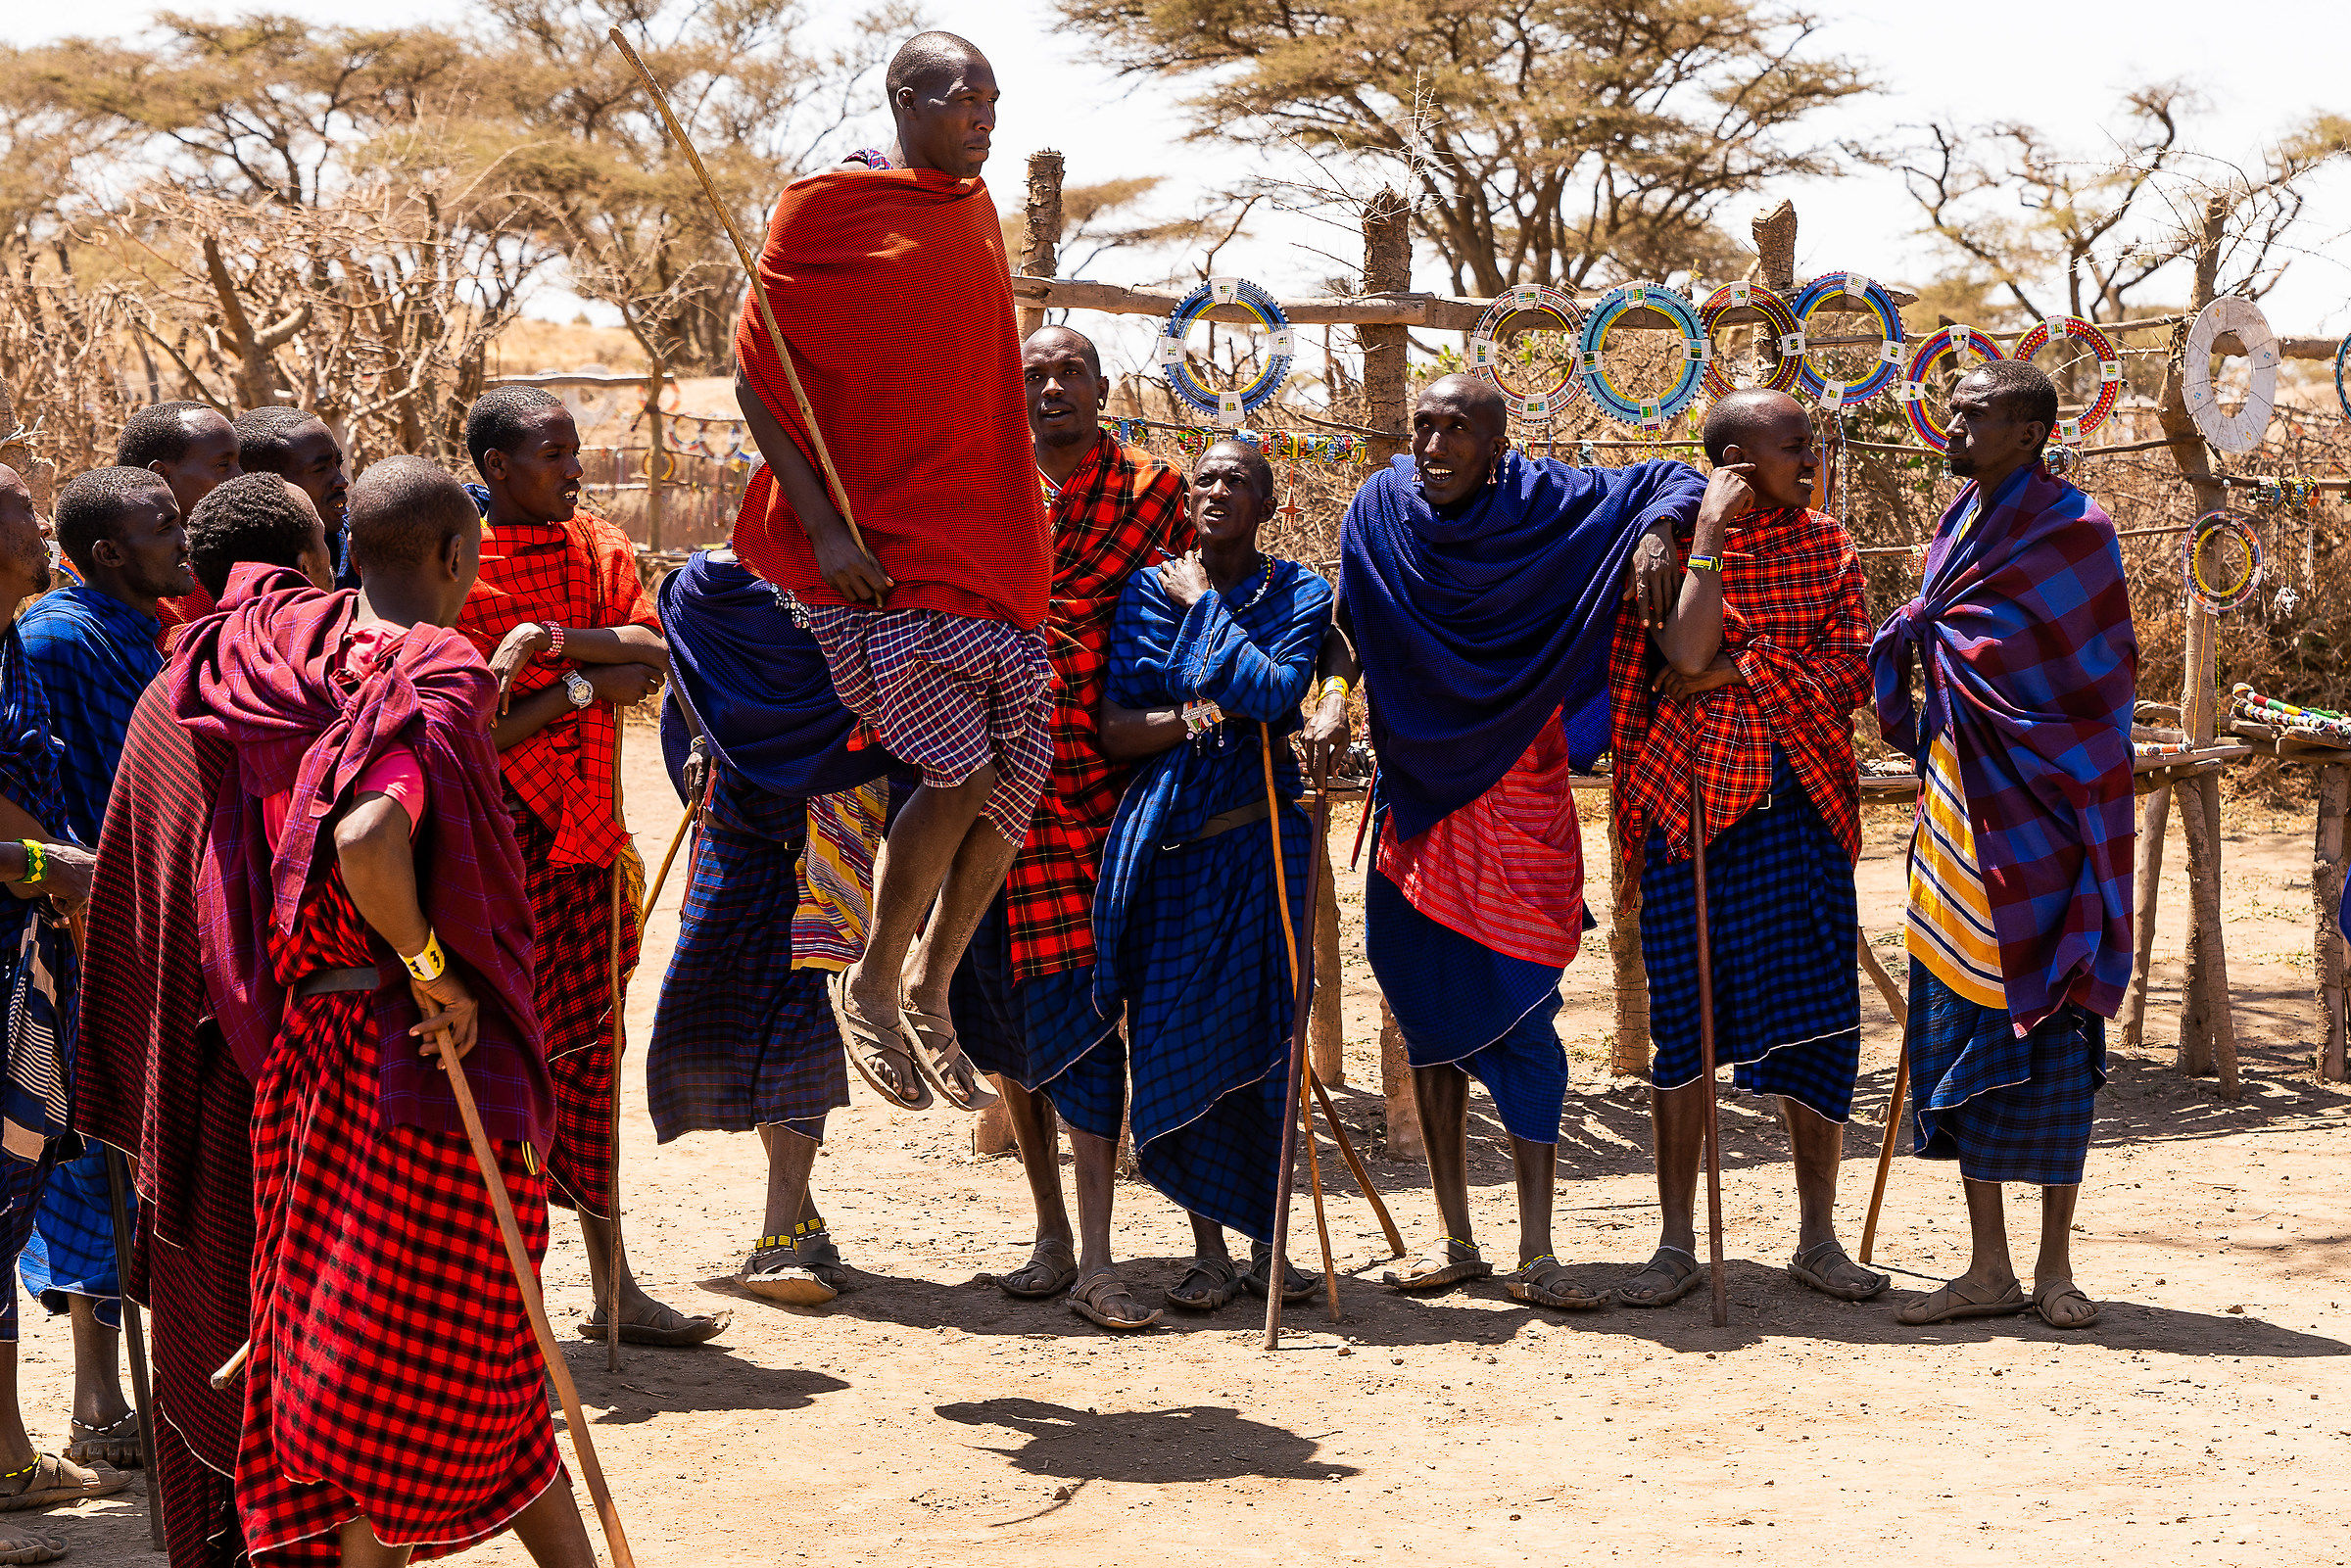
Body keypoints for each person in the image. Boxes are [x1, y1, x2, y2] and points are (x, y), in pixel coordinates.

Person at [173, 455, 599, 1566]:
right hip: (412, 1056)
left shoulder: (284, 653)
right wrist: (430, 964)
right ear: (459, 557)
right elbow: (368, 836)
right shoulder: (436, 663)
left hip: (309, 1054)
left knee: (355, 1343)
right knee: (469, 1342)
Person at [731, 29, 1049, 1117]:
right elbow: (759, 376)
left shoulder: (971, 211)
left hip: (980, 527)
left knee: (1020, 767)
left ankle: (933, 976)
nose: (986, 117)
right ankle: (874, 973)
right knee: (956, 767)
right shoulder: (824, 210)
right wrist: (822, 528)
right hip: (879, 548)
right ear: (905, 99)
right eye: (967, 98)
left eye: (995, 98)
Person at [1332, 374, 1699, 1310]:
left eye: (1460, 428)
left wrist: (1658, 531)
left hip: (1519, 797)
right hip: (1416, 804)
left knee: (1527, 1023)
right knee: (1427, 1022)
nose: (1437, 445)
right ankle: (1455, 1238)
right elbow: (1346, 626)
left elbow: (1672, 477)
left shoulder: (1545, 504)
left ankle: (1537, 1249)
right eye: (1425, 426)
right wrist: (1334, 694)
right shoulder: (1379, 511)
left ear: (1500, 444)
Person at [75, 478, 335, 1566]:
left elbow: (127, 915)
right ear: (305, 565)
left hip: (198, 1083)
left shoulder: (166, 694)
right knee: (320, 1352)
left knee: (226, 1325)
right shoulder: (319, 688)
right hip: (313, 1075)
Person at [1604, 389, 1885, 1307]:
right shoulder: (1676, 546)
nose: (1810, 460)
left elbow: (1850, 668)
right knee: (1686, 1026)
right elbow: (1681, 656)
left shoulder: (1830, 546)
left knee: (1819, 1019)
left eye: (1811, 445)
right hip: (1694, 816)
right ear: (1731, 465)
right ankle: (1677, 1241)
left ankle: (1818, 1237)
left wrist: (1743, 666)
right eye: (1792, 447)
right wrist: (1712, 537)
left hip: (1801, 804)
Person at [1871, 360, 2135, 1331]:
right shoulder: (1956, 525)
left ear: (2029, 431)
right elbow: (1954, 647)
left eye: (1976, 414)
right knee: (1952, 1016)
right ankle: (1987, 1265)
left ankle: (2057, 1264)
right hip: (1957, 803)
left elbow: (2093, 677)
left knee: (2056, 1026)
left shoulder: (2079, 530)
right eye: (1954, 409)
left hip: (2048, 812)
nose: (1956, 423)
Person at [456, 385, 719, 1348]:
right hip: (497, 855)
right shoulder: (456, 557)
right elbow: (472, 733)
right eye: (554, 453)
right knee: (499, 1071)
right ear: (496, 466)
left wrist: (546, 650)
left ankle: (616, 1287)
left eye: (573, 451)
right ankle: (503, 1305)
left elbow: (649, 654)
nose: (574, 468)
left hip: (587, 847)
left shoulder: (595, 545)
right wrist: (578, 689)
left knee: (590, 1062)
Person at [947, 325, 1191, 1312]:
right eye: (1033, 375)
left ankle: (1097, 1253)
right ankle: (1049, 1228)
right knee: (1008, 1013)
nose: (1052, 387)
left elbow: (1182, 621)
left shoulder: (1151, 492)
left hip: (1107, 781)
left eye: (1070, 372)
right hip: (984, 782)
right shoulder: (977, 488)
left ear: (1102, 384)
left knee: (1087, 1005)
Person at [1078, 440, 1332, 1328]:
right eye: (1206, 481)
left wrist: (1211, 630)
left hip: (1266, 845)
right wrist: (1208, 705)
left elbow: (1279, 691)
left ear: (1269, 502)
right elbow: (1116, 725)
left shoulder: (1300, 592)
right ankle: (1207, 1252)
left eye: (1238, 481)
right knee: (1174, 1045)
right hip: (1175, 852)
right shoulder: (1151, 591)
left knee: (1269, 1040)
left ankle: (1269, 1246)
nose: (1218, 491)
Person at [646, 544, 903, 1307]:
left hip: (834, 814)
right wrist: (698, 738)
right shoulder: (708, 584)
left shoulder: (866, 576)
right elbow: (676, 662)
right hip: (733, 817)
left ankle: (778, 1236)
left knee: (802, 1011)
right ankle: (801, 1218)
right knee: (720, 1000)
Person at [12, 465, 200, 1477]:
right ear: (108, 552)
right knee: (88, 1151)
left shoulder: (153, 633)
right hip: (74, 924)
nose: (183, 537)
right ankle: (96, 1395)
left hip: (156, 926)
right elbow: (35, 782)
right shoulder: (53, 637)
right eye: (162, 524)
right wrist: (74, 881)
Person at [0, 464, 126, 1557]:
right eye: (24, 520)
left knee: (8, 1197)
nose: (43, 534)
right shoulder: (46, 639)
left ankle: (6, 1458)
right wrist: (59, 863)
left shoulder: (10, 645)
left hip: (31, 961)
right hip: (27, 944)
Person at [114, 402, 241, 633]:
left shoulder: (236, 555)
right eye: (223, 465)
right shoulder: (141, 589)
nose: (240, 477)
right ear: (161, 475)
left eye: (239, 464)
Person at [232, 406, 351, 583]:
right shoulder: (241, 576)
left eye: (337, 465)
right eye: (320, 469)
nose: (342, 481)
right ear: (265, 485)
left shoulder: (366, 544)